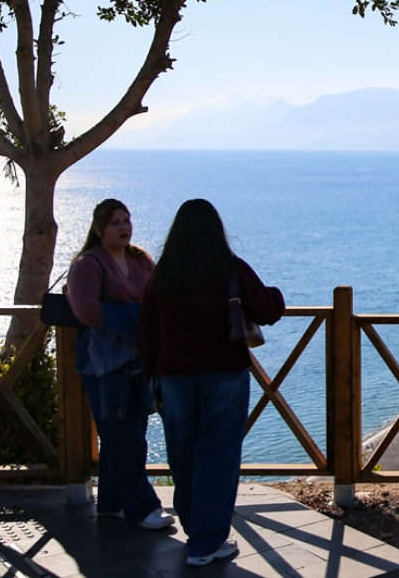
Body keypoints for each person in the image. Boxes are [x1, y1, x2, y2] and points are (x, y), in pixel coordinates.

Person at [139, 199, 285, 567]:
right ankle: (207, 542)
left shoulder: (164, 275)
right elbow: (268, 311)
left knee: (183, 455)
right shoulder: (229, 269)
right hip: (223, 373)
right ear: (216, 230)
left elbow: (147, 331)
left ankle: (196, 533)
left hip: (173, 378)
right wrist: (277, 295)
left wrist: (152, 373)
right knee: (217, 456)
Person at [66, 199, 172, 530]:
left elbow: (159, 299)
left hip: (138, 358)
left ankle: (112, 502)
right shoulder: (87, 264)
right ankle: (141, 507)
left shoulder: (140, 260)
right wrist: (138, 320)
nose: (124, 227)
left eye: (127, 220)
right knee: (120, 433)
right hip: (104, 361)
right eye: (115, 222)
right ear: (99, 229)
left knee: (133, 430)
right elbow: (87, 312)